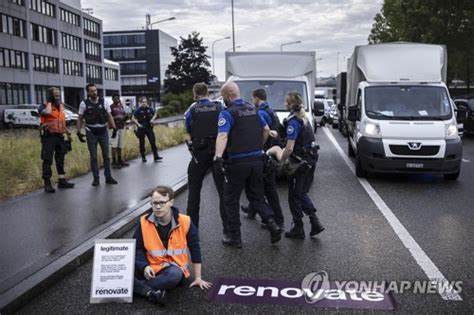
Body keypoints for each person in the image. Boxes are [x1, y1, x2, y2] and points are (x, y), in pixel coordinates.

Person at [214, 81, 282, 248]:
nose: (223, 100)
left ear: (228, 96)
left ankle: (235, 238)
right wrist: (258, 146)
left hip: (237, 163)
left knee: (231, 200)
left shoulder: (227, 113)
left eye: (223, 96)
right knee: (256, 196)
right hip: (256, 161)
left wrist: (218, 157)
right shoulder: (252, 109)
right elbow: (266, 129)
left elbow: (222, 136)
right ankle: (272, 224)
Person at [134, 185, 212, 305]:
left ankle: (137, 288)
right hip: (151, 266)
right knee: (126, 268)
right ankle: (150, 292)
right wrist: (144, 266)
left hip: (174, 268)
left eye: (162, 203)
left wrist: (198, 277)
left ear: (171, 202)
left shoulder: (185, 221)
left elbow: (195, 248)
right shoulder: (143, 222)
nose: (158, 207)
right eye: (154, 203)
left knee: (174, 276)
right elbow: (137, 248)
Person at [267, 92, 325, 239]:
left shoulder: (293, 122)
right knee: (301, 193)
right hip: (309, 160)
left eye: (285, 102)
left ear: (290, 104)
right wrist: (279, 135)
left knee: (294, 195)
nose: (284, 104)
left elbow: (290, 147)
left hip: (300, 162)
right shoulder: (303, 118)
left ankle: (298, 227)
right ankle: (314, 223)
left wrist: (281, 158)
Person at [240, 88, 285, 229]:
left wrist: (258, 147)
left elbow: (260, 132)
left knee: (267, 188)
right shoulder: (271, 111)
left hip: (265, 153)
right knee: (260, 186)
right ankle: (253, 209)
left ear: (256, 98)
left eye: (253, 98)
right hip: (272, 151)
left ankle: (277, 219)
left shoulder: (261, 113)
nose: (252, 101)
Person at [184, 83, 226, 230]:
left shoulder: (192, 109)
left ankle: (192, 229)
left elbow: (188, 127)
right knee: (223, 192)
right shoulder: (219, 107)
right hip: (217, 153)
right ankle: (229, 231)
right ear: (207, 93)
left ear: (195, 94)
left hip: (199, 153)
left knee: (194, 191)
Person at [76, 83, 118, 186]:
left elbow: (109, 116)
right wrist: (78, 132)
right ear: (88, 92)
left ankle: (108, 177)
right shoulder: (84, 104)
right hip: (91, 132)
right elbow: (80, 118)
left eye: (95, 90)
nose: (94, 92)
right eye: (92, 91)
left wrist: (114, 127)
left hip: (103, 131)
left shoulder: (104, 102)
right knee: (93, 156)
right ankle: (96, 178)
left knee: (106, 156)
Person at [38, 87, 75, 193]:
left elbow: (61, 121)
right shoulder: (44, 106)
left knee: (60, 158)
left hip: (60, 136)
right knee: (47, 159)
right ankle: (47, 183)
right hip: (48, 137)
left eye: (59, 95)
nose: (58, 97)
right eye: (55, 95)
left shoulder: (61, 106)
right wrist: (50, 101)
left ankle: (62, 180)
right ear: (50, 95)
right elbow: (48, 113)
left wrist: (68, 133)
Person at [132, 96, 163, 162]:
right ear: (140, 103)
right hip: (141, 128)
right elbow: (133, 118)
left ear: (147, 102)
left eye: (145, 102)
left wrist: (152, 119)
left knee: (152, 141)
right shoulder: (138, 110)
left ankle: (156, 156)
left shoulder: (149, 108)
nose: (144, 103)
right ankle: (143, 157)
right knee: (142, 143)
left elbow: (155, 114)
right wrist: (138, 124)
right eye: (142, 102)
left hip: (149, 127)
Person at [109, 94, 129, 169]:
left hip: (121, 127)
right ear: (112, 99)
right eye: (115, 98)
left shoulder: (121, 107)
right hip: (114, 128)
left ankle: (120, 160)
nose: (117, 99)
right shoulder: (111, 107)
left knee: (120, 145)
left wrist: (126, 117)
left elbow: (124, 117)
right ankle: (114, 162)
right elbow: (108, 117)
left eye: (118, 98)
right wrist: (116, 117)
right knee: (114, 145)